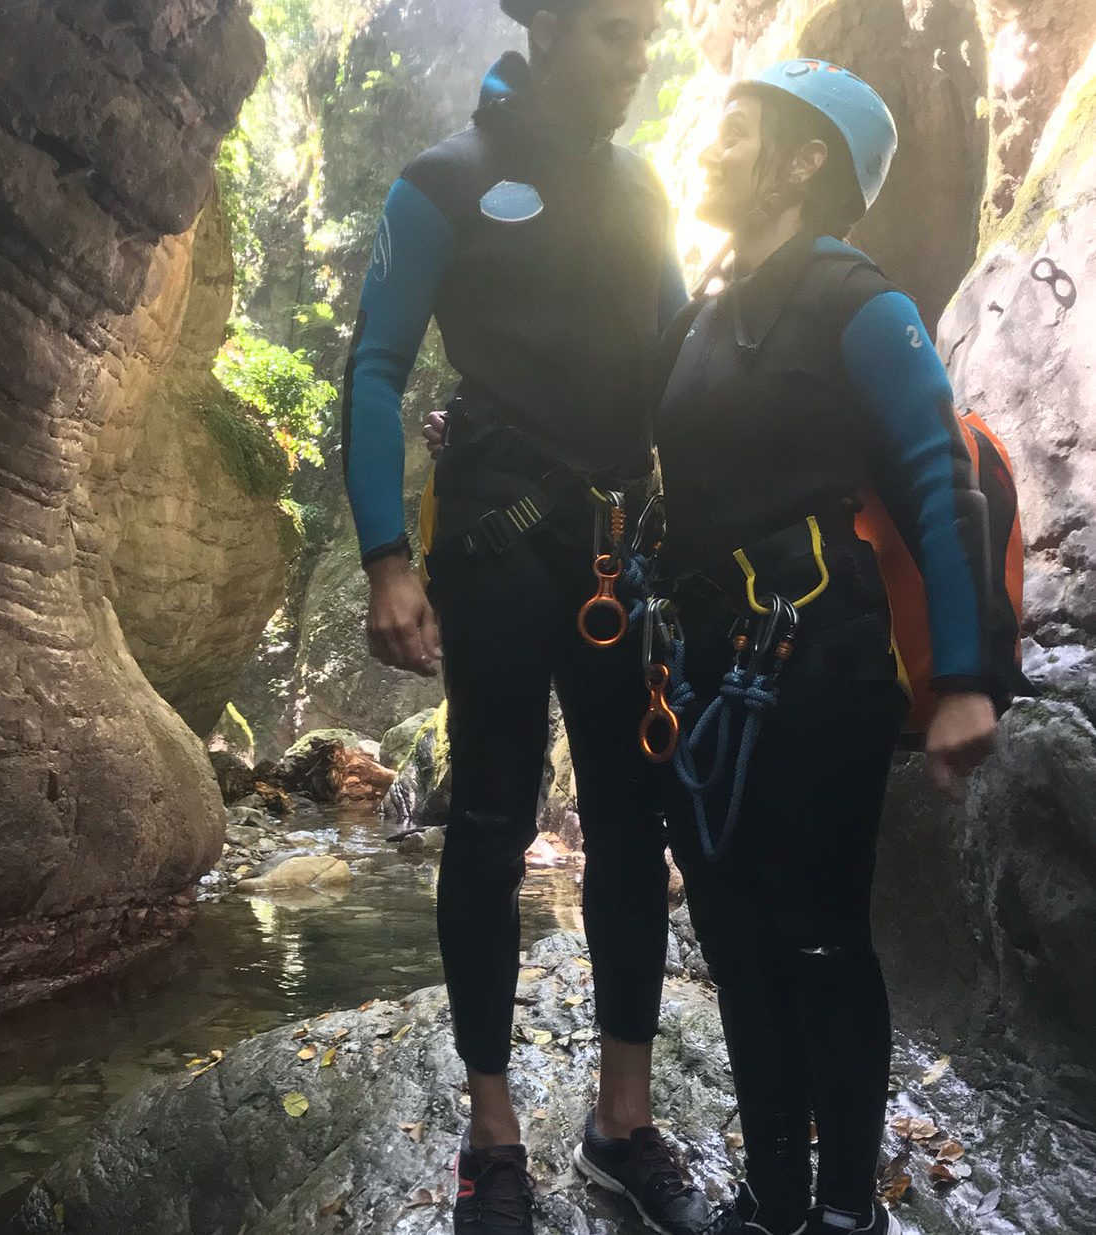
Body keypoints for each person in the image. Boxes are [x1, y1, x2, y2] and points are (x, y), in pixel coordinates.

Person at [342, 3, 731, 1233]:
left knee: (627, 821)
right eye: (618, 30)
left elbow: (678, 362)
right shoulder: (443, 182)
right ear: (554, 27)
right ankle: (491, 1126)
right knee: (495, 812)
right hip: (498, 539)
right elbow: (376, 366)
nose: (642, 51)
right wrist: (385, 556)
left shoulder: (644, 188)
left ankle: (622, 1122)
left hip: (623, 548)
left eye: (649, 32)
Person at [643, 61, 1000, 1235]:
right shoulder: (705, 310)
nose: (706, 145)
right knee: (737, 937)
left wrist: (960, 677)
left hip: (821, 652)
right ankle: (771, 1196)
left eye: (734, 130)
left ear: (804, 161)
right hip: (705, 668)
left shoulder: (861, 304)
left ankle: (845, 1205)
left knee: (813, 933)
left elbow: (938, 484)